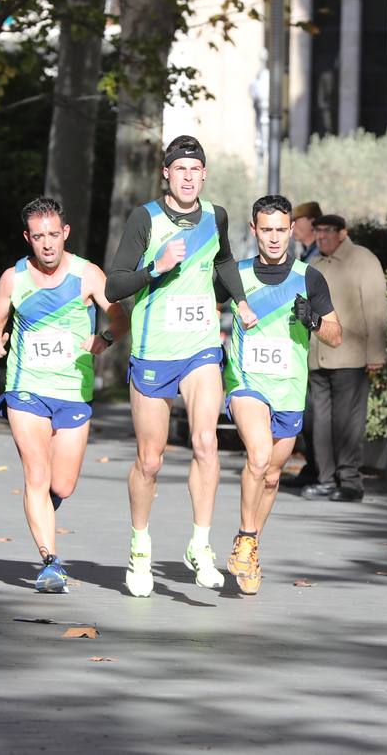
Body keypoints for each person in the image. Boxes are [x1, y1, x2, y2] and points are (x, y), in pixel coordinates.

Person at [104, 135, 257, 597]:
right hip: (153, 352)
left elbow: (225, 261)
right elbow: (114, 287)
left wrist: (242, 301)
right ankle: (140, 548)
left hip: (200, 348)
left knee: (207, 443)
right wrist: (156, 267)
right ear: (166, 174)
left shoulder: (216, 216)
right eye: (180, 169)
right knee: (150, 461)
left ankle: (200, 544)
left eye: (196, 169)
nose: (189, 177)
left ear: (204, 174)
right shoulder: (144, 219)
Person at [0, 197, 128, 593]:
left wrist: (107, 336)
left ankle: (42, 506)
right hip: (26, 388)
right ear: (28, 238)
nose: (47, 244)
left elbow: (119, 314)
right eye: (38, 237)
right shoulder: (14, 278)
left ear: (64, 233)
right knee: (36, 473)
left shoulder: (87, 275)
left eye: (53, 235)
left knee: (61, 485)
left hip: (72, 392)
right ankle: (50, 562)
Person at [222, 195, 341, 594]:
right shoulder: (235, 274)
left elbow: (336, 336)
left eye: (280, 230)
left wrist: (314, 320)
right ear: (254, 230)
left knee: (271, 476)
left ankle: (249, 545)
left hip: (289, 389)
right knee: (257, 457)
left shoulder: (309, 277)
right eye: (265, 230)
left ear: (292, 231)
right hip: (246, 382)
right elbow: (197, 307)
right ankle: (246, 537)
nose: (274, 238)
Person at [302, 214, 387, 503]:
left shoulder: (364, 260)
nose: (322, 236)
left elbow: (376, 309)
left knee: (347, 423)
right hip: (317, 357)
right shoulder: (313, 266)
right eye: (318, 231)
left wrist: (376, 353)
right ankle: (325, 479)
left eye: (328, 231)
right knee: (319, 422)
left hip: (350, 357)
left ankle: (350, 482)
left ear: (342, 233)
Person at [281, 198, 324, 488]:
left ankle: (319, 468)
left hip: (318, 341)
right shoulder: (308, 253)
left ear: (311, 223)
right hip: (302, 342)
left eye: (298, 222)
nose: (293, 229)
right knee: (307, 409)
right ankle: (313, 465)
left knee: (314, 411)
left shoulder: (319, 256)